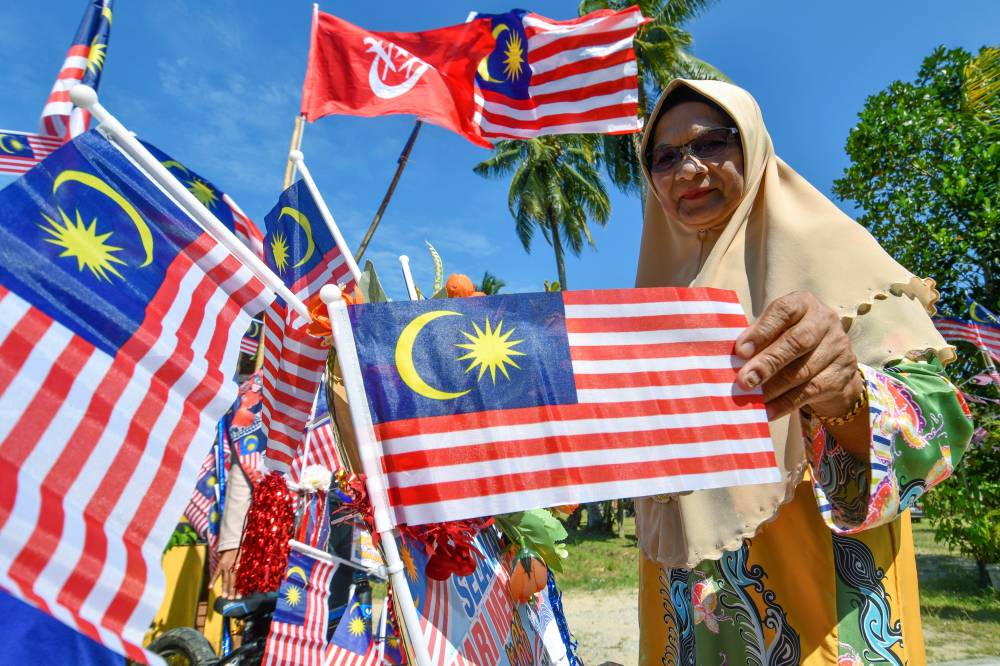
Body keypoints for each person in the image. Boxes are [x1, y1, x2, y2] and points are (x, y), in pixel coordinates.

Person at [634, 79, 973, 665]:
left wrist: (849, 395)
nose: (687, 169)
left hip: (824, 612)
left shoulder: (837, 258)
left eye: (713, 144)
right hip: (692, 621)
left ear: (754, 148)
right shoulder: (654, 301)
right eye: (664, 156)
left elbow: (941, 431)